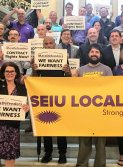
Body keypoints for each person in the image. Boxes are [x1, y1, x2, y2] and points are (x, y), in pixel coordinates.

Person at [31, 36, 71, 164]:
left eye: (50, 43)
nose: (48, 45)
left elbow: (69, 77)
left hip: (60, 96)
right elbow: (34, 79)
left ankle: (62, 153)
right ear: (43, 45)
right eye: (46, 44)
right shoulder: (38, 58)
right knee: (46, 126)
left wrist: (68, 71)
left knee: (60, 126)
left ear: (55, 44)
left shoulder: (63, 57)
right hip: (44, 95)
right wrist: (34, 69)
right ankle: (48, 152)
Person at [75, 43, 113, 167]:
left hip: (101, 113)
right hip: (84, 113)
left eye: (97, 52)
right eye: (92, 52)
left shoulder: (107, 69)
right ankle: (81, 164)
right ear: (88, 54)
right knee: (84, 143)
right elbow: (74, 91)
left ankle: (100, 165)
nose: (94, 54)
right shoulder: (80, 70)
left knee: (101, 144)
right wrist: (72, 78)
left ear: (100, 55)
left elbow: (111, 89)